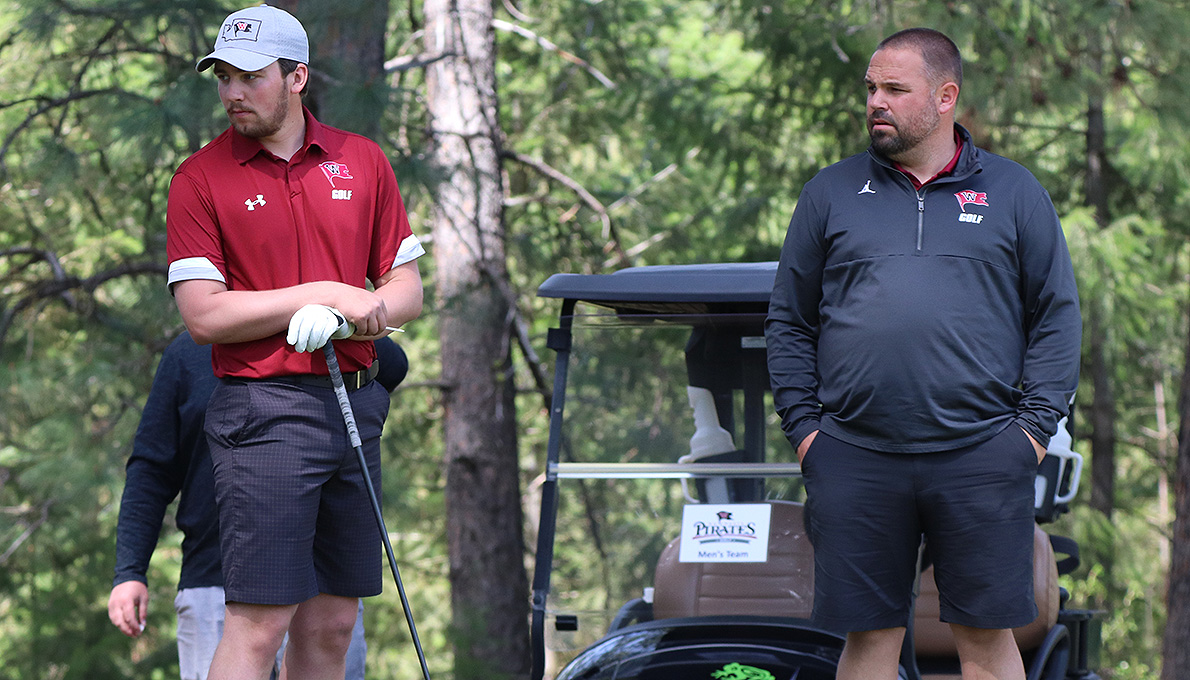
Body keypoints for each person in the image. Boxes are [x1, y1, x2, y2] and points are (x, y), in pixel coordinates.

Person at [765, 28, 1081, 680]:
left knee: (986, 643)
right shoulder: (829, 193)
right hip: (853, 457)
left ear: (945, 96)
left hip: (982, 456)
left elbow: (1056, 317)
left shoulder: (1013, 193)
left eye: (894, 89)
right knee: (869, 641)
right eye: (871, 89)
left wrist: (1029, 436)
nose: (876, 101)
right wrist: (807, 436)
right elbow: (789, 321)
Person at [164, 4, 425, 679]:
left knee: (334, 621)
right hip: (264, 411)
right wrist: (320, 295)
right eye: (222, 77)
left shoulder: (361, 161)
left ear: (297, 76)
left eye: (249, 77)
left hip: (357, 407)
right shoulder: (200, 178)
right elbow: (204, 316)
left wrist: (356, 314)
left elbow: (406, 290)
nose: (232, 94)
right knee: (260, 623)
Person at [106, 332, 409, 680]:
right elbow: (151, 468)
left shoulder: (326, 339)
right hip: (214, 577)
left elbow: (394, 364)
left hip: (320, 585)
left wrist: (333, 316)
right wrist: (130, 571)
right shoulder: (189, 352)